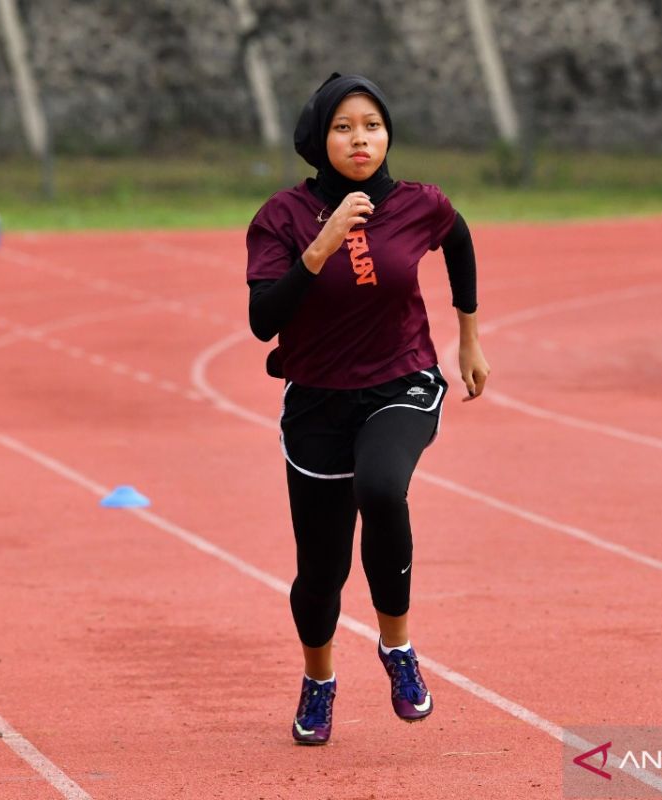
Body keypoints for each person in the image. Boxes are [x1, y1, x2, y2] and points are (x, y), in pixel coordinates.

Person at [245, 73, 489, 746]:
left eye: (373, 125)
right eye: (345, 127)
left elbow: (459, 239)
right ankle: (319, 680)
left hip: (401, 381)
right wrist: (319, 250)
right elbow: (263, 321)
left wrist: (469, 336)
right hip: (318, 402)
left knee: (383, 488)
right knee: (320, 573)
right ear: (320, 138)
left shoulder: (420, 205)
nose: (361, 139)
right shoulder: (282, 219)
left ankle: (398, 647)